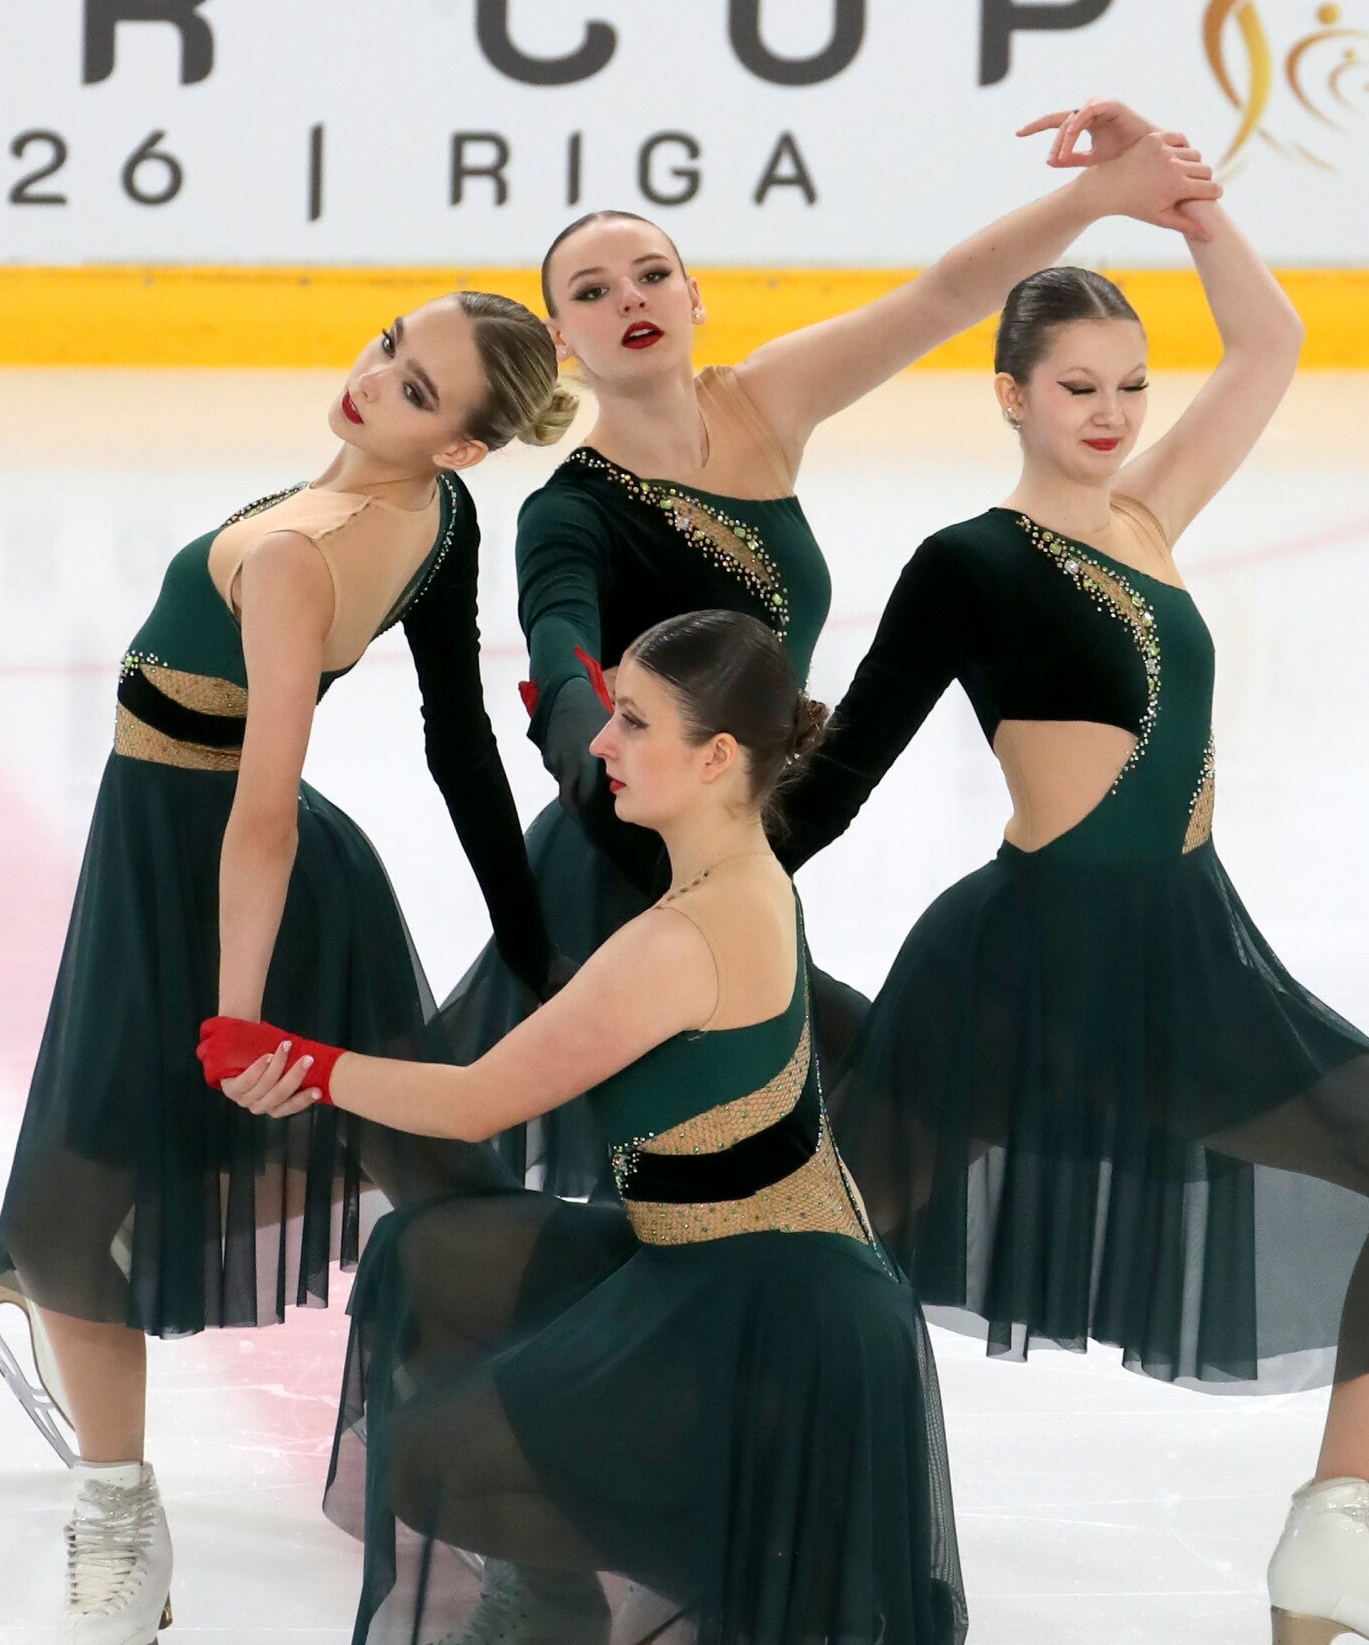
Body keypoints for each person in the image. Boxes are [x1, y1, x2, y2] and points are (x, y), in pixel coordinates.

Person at [781, 102, 1369, 1645]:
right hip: (1025, 969)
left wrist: (1186, 206)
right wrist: (684, 881)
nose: (1114, 412)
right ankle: (691, 1508)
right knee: (828, 1260)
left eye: (1130, 384)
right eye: (1079, 387)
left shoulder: (1149, 516)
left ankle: (1337, 1529)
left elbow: (1268, 345)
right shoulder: (969, 561)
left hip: (1188, 953)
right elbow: (836, 782)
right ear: (1010, 395)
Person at [202, 611, 965, 1645]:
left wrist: (303, 1062)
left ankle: (751, 1577)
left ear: (716, 758)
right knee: (430, 1259)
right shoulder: (730, 868)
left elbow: (475, 1100)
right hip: (699, 1261)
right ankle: (554, 1605)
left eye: (633, 722)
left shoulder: (685, 935)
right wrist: (569, 690)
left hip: (770, 1322)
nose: (605, 742)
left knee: (431, 1457)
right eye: (612, 711)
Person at [0, 293, 574, 1645]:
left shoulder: (300, 554)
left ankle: (120, 1517)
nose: (372, 380)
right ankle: (576, 1514)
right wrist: (526, 934)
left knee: (75, 1224)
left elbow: (265, 807)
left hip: (213, 876)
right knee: (422, 1174)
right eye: (389, 346)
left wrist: (239, 1020)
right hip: (231, 871)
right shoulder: (432, 516)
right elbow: (454, 735)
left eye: (416, 391)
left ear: (462, 445)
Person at [445, 128, 1221, 1195]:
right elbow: (559, 652)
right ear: (560, 337)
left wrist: (1092, 196)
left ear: (693, 294)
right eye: (592, 291)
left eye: (652, 274)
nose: (630, 297)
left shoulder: (763, 401)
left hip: (744, 863)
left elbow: (944, 295)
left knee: (850, 1138)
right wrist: (585, 742)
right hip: (627, 868)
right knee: (776, 1153)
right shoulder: (569, 513)